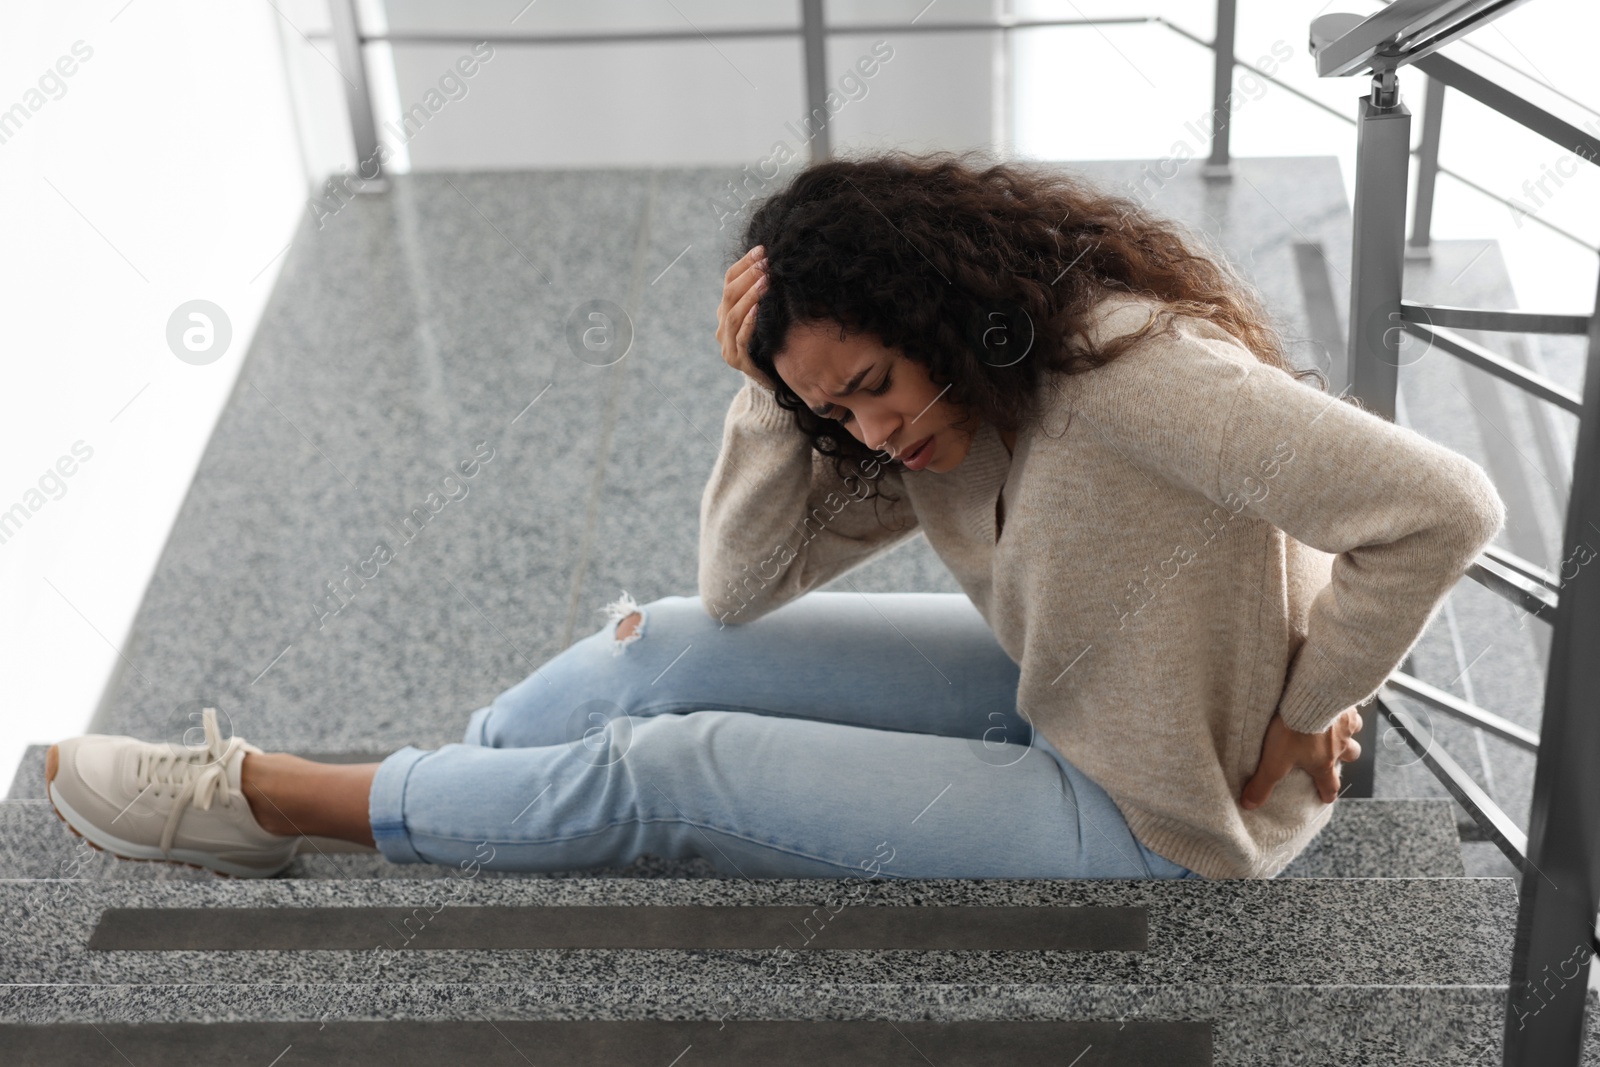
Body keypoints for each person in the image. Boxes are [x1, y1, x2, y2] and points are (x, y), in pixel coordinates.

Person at [43, 150, 1504, 881]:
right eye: (840, 415)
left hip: (1151, 806)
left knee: (669, 766)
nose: (876, 433)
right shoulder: (949, 414)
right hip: (1064, 689)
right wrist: (766, 395)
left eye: (872, 385)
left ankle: (270, 800)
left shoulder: (1128, 369)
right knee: (654, 652)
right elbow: (740, 588)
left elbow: (1439, 505)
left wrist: (1305, 704)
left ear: (940, 309)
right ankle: (461, 795)